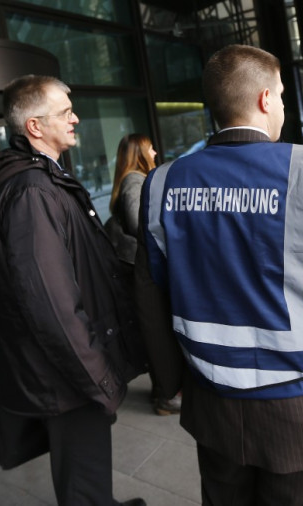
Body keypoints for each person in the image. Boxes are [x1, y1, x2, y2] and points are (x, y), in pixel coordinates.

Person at [135, 44, 303, 505]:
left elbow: (152, 300)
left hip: (212, 409)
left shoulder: (162, 183)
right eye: (286, 97)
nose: (287, 107)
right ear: (266, 100)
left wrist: (170, 385)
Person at [0, 75, 145, 506]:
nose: (76, 119)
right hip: (68, 373)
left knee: (85, 470)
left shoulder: (43, 180)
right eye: (66, 112)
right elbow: (50, 302)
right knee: (82, 477)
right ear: (35, 126)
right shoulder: (32, 191)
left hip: (67, 368)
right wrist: (98, 376)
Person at [107, 134, 181, 416]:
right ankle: (166, 394)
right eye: (150, 146)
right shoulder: (135, 180)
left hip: (135, 264)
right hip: (140, 265)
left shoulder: (132, 179)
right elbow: (140, 222)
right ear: (140, 151)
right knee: (157, 329)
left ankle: (164, 391)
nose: (154, 150)